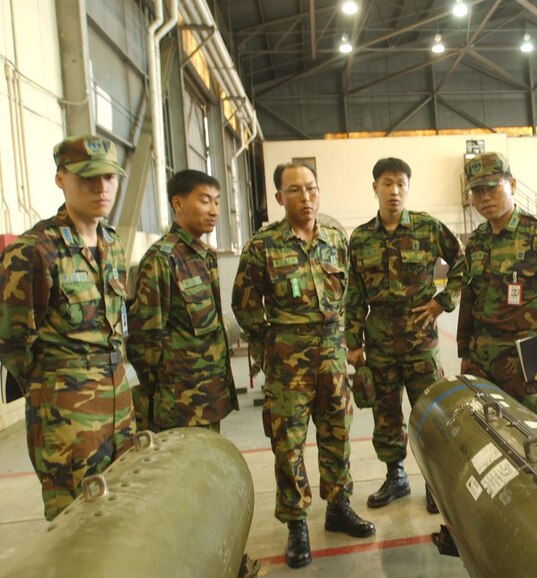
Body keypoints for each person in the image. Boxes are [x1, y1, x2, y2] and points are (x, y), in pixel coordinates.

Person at [232, 161, 375, 569]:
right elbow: (244, 305)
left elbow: (348, 293)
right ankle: (296, 522)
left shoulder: (334, 238)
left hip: (332, 359)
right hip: (287, 366)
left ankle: (338, 505)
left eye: (311, 188)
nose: (306, 197)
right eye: (294, 190)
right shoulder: (263, 246)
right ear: (279, 198)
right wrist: (269, 343)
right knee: (288, 446)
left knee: (336, 434)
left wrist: (347, 340)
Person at [0, 134, 135, 520]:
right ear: (61, 179)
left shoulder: (112, 243)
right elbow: (12, 343)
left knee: (124, 512)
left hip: (119, 406)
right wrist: (54, 388)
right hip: (67, 418)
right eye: (87, 177)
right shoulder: (33, 251)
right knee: (75, 523)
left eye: (109, 177)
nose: (101, 187)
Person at [345, 157, 465, 514]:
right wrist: (352, 342)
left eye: (400, 184)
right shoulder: (361, 238)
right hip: (379, 341)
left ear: (408, 188)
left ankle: (433, 480)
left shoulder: (428, 227)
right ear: (375, 188)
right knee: (385, 413)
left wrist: (443, 301)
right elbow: (354, 293)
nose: (394, 191)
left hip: (420, 341)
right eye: (386, 183)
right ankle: (395, 476)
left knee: (429, 411)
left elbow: (464, 262)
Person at [457, 152, 537, 424]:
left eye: (492, 187)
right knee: (487, 435)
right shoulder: (476, 241)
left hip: (525, 363)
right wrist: (465, 352)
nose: (485, 197)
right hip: (481, 361)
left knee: (533, 438)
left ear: (511, 185)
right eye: (477, 191)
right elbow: (468, 300)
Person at [127, 169, 238, 432]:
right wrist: (161, 392)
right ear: (178, 203)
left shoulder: (204, 256)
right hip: (178, 402)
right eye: (204, 200)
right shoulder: (162, 260)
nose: (213, 210)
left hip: (209, 394)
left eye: (217, 201)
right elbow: (145, 339)